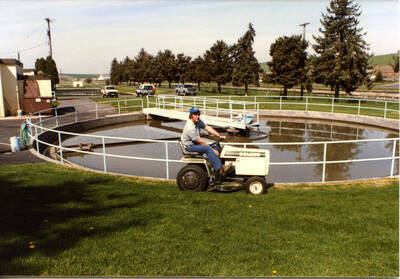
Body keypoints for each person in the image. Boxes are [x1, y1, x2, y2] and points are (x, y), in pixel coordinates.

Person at [181, 106, 232, 177]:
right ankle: (220, 169)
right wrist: (212, 150)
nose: (197, 116)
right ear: (191, 115)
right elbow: (201, 142)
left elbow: (208, 128)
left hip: (195, 144)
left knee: (215, 146)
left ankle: (217, 166)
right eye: (195, 114)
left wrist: (219, 135)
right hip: (189, 146)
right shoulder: (190, 127)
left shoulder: (198, 121)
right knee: (208, 148)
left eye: (198, 114)